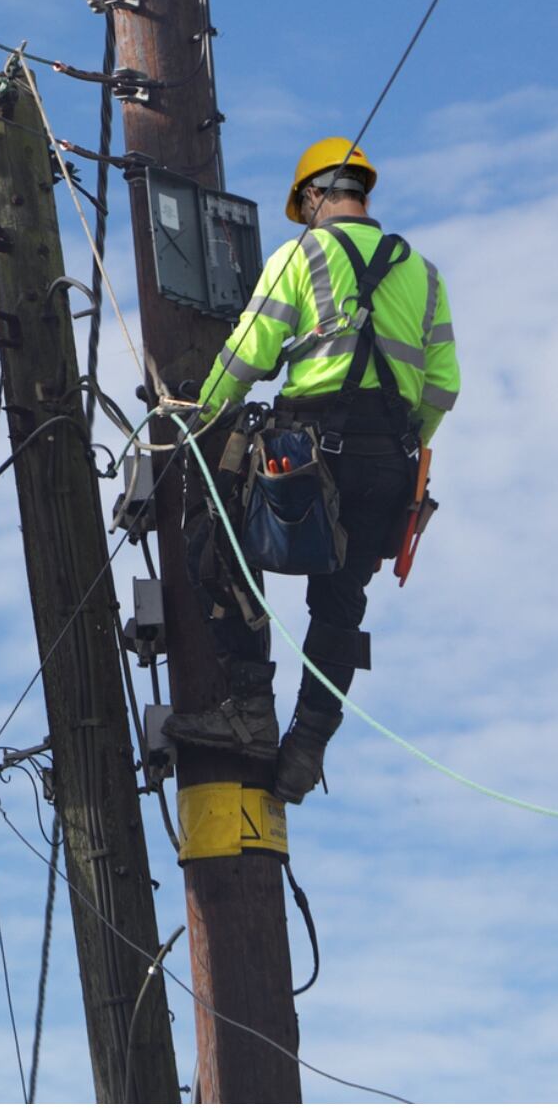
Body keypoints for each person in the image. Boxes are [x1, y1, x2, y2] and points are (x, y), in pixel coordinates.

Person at [165, 137, 460, 803]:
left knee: (217, 545)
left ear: (314, 198)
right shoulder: (426, 274)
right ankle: (307, 746)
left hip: (306, 453)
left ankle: (248, 708)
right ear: (361, 192)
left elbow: (250, 349)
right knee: (341, 600)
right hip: (390, 464)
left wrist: (200, 414)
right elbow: (444, 385)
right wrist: (403, 443)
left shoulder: (302, 255)